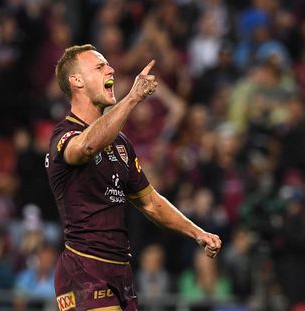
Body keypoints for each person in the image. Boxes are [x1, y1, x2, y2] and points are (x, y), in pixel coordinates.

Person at [45, 44, 222, 311]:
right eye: (100, 66)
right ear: (76, 80)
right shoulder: (64, 136)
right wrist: (132, 98)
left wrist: (197, 233)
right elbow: (87, 146)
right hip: (83, 267)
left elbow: (150, 201)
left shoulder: (121, 144)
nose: (110, 69)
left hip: (121, 271)